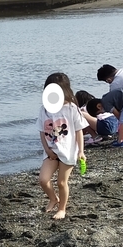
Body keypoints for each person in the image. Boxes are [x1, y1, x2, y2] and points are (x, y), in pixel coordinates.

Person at [39, 72, 85, 219]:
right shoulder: (44, 109)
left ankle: (62, 209)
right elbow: (41, 131)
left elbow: (79, 131)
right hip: (51, 151)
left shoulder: (71, 108)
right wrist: (47, 150)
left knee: (61, 182)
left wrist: (81, 152)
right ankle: (53, 198)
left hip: (68, 151)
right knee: (43, 180)